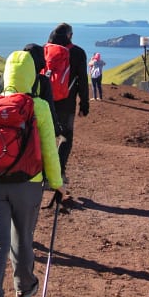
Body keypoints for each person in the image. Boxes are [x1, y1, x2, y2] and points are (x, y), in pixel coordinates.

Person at [0, 50, 63, 297]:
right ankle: (24, 290)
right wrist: (57, 184)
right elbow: (49, 151)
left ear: (6, 74)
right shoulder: (39, 106)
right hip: (27, 184)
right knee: (22, 237)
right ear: (32, 76)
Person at [45, 23, 89, 185]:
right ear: (69, 35)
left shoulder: (44, 51)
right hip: (67, 103)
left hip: (45, 102)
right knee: (66, 137)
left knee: (45, 136)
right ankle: (59, 173)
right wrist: (84, 105)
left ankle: (43, 174)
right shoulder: (77, 52)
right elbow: (82, 81)